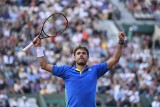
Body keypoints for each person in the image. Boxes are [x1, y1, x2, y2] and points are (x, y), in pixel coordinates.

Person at [33, 32, 125, 107]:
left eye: (84, 53)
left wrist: (120, 43)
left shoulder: (95, 70)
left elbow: (115, 59)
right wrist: (38, 47)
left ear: (88, 57)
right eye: (78, 53)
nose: (81, 55)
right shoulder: (66, 71)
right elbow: (44, 65)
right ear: (74, 57)